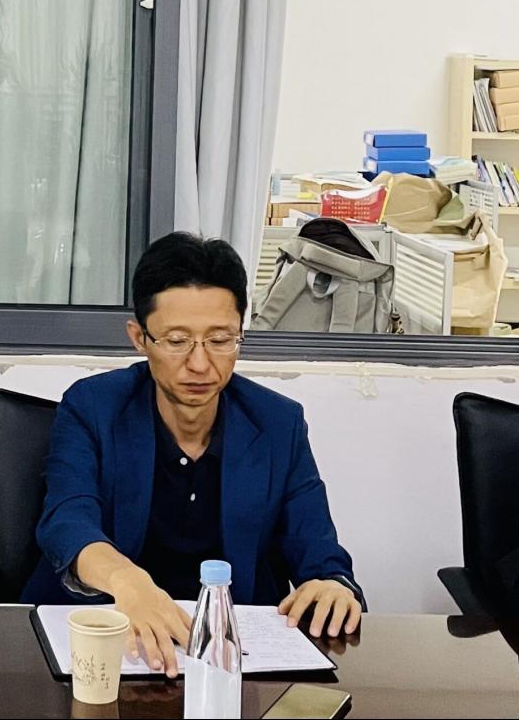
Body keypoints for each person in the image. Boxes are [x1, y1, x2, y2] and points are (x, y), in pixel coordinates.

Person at [22, 232, 365, 677]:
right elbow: (67, 520)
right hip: (109, 648)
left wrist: (333, 586)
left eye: (220, 340)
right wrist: (128, 580)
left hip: (229, 659)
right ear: (139, 338)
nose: (200, 364)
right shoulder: (93, 408)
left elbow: (317, 547)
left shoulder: (278, 424)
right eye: (177, 340)